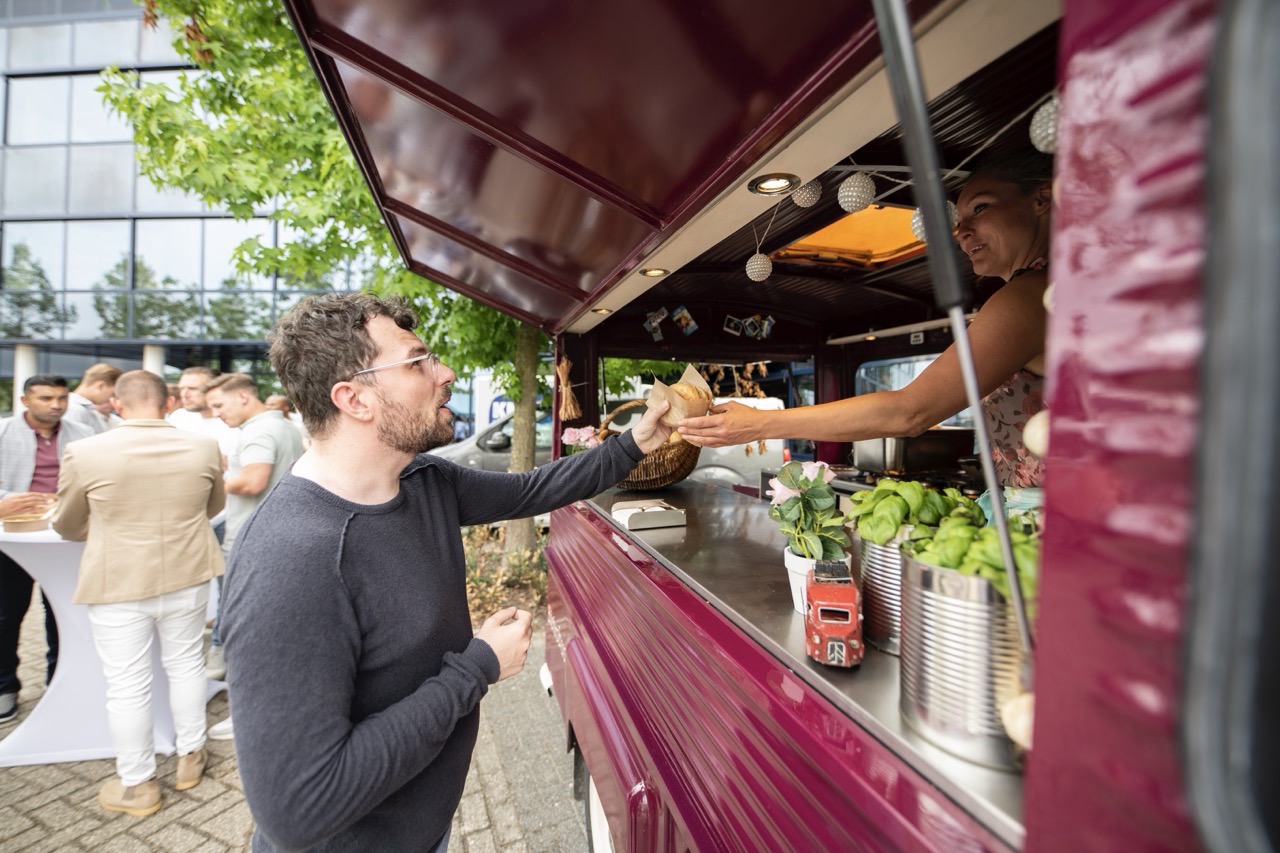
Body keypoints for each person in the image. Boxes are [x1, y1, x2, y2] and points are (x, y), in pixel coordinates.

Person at [221, 293, 673, 851]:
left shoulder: (424, 481)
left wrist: (636, 443)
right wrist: (477, 667)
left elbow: (534, 489)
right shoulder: (292, 558)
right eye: (418, 362)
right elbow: (299, 808)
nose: (446, 372)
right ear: (353, 398)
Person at [680, 147, 1052, 492]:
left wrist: (759, 423)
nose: (961, 231)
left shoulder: (1028, 296)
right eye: (959, 217)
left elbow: (910, 411)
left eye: (981, 208)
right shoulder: (1043, 289)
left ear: (1042, 198)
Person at [52, 371, 225, 817]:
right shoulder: (203, 446)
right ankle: (191, 755)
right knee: (187, 664)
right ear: (168, 402)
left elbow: (67, 524)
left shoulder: (86, 451)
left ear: (116, 402)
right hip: (188, 572)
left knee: (127, 685)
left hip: (119, 579)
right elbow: (215, 507)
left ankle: (138, 782)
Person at [200, 373, 304, 718]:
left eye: (219, 405)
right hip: (277, 533)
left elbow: (254, 480)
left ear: (243, 396)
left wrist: (207, 480)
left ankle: (249, 707)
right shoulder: (283, 426)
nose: (215, 413)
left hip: (249, 538)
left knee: (243, 622)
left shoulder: (259, 430)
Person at [0, 375, 95, 723]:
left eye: (61, 398)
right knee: (7, 614)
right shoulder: (3, 432)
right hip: (12, 538)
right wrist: (4, 502)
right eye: (45, 398)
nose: (55, 405)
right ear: (25, 400)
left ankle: (60, 683)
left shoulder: (83, 434)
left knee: (62, 613)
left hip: (64, 537)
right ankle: (4, 687)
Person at [64, 363, 123, 434]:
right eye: (112, 394)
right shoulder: (73, 409)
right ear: (101, 386)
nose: (112, 399)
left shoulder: (85, 409)